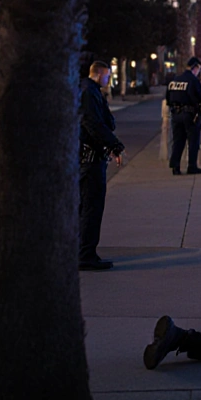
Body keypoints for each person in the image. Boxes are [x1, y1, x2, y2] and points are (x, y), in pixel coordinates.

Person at [79, 60, 124, 271]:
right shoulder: (90, 93)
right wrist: (114, 144)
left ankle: (83, 251)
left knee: (86, 207)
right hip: (91, 159)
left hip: (89, 157)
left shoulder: (90, 90)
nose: (109, 80)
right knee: (92, 207)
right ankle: (86, 255)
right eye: (107, 76)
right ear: (99, 74)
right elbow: (93, 124)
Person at [166, 56, 201, 175]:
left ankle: (175, 166)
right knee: (192, 141)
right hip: (190, 114)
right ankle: (192, 166)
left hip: (176, 114)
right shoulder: (193, 80)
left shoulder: (175, 80)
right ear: (195, 67)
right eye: (199, 69)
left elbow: (168, 98)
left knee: (177, 141)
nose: (198, 72)